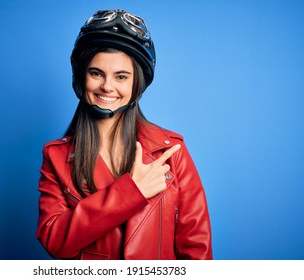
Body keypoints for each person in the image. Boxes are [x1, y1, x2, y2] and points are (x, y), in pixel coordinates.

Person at [36, 9, 212, 260]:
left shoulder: (171, 150)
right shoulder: (55, 156)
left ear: (136, 83)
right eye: (96, 73)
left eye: (121, 76)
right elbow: (55, 241)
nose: (107, 86)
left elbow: (197, 249)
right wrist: (131, 192)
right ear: (81, 77)